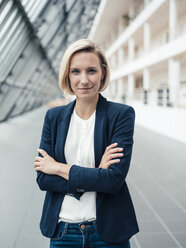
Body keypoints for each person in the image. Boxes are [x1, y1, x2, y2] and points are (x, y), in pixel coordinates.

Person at [34, 39, 139, 248]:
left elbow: (113, 181)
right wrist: (97, 173)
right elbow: (44, 179)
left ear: (102, 73)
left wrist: (58, 168)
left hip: (108, 231)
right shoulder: (53, 118)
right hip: (63, 232)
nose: (84, 80)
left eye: (91, 71)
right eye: (75, 71)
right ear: (67, 74)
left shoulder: (121, 115)